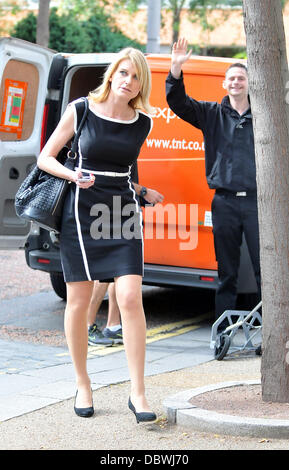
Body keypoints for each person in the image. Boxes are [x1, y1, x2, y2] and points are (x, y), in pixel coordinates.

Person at [38, 47, 164, 421]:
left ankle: (138, 393)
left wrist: (141, 193)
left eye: (136, 76)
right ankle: (82, 383)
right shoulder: (80, 109)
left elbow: (123, 171)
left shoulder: (143, 122)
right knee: (78, 302)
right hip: (80, 210)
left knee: (129, 297)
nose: (128, 81)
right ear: (112, 74)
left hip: (121, 211)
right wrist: (72, 174)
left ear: (142, 83)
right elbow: (46, 157)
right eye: (123, 72)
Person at [166, 38, 261, 327]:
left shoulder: (265, 117)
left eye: (240, 78)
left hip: (259, 204)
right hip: (225, 202)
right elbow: (177, 102)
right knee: (227, 273)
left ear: (248, 83)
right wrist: (175, 69)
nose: (236, 82)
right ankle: (222, 332)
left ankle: (271, 333)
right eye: (231, 78)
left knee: (265, 272)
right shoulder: (211, 114)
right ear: (224, 84)